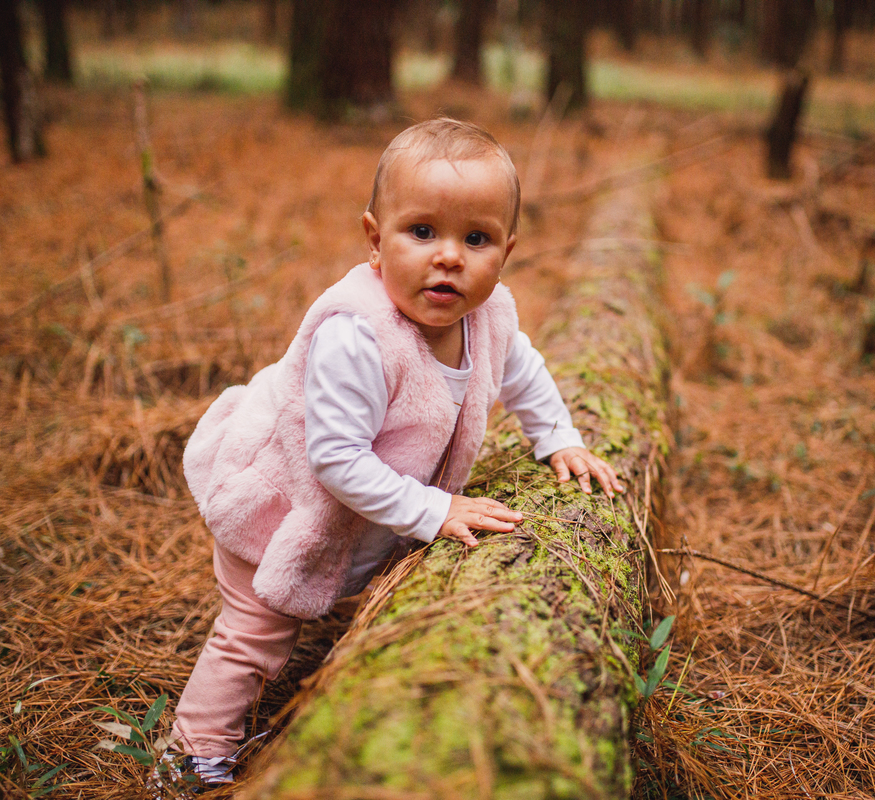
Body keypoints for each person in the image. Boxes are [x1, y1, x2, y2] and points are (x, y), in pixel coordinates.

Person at [160, 118, 624, 789]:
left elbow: (523, 371)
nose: (449, 257)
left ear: (507, 250)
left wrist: (559, 437)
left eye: (476, 239)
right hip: (280, 507)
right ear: (375, 240)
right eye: (422, 231)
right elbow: (336, 460)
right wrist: (435, 510)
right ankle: (191, 755)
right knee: (256, 637)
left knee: (336, 590)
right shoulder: (357, 336)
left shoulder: (488, 316)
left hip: (360, 509)